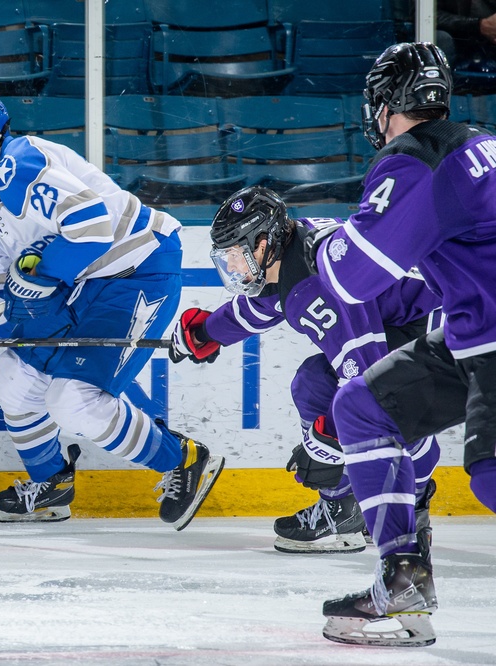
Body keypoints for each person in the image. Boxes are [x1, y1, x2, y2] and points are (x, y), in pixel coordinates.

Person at [0, 90, 224, 528]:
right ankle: (51, 485)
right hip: (82, 286)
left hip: (138, 267)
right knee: (12, 382)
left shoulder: (21, 163)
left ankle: (183, 459)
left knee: (74, 400)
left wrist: (40, 277)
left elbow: (94, 226)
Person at [304, 42, 496, 647]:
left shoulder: (415, 161)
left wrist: (314, 243)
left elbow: (354, 276)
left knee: (490, 475)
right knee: (363, 405)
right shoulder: (479, 142)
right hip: (473, 330)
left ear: (387, 104)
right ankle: (402, 578)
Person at [169, 186, 442, 555]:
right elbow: (264, 305)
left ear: (263, 244)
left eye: (235, 254)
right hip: (416, 317)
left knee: (352, 395)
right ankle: (380, 499)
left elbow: (368, 375)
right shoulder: (295, 248)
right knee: (320, 384)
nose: (231, 266)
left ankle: (380, 502)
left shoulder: (317, 283)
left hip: (446, 325)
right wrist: (205, 332)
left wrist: (327, 442)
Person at [436, 0, 496, 71]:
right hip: (457, 40)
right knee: (442, 38)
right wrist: (478, 25)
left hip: (490, 44)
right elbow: (430, 15)